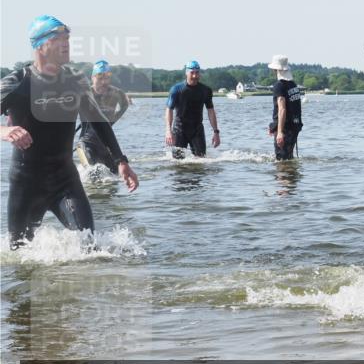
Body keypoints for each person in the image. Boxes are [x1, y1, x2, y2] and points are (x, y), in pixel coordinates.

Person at [1, 16, 139, 248]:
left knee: (89, 247)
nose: (66, 43)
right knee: (18, 255)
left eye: (67, 38)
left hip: (64, 180)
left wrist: (121, 161)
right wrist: (4, 130)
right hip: (26, 183)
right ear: (39, 45)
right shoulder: (18, 82)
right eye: (58, 38)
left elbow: (99, 122)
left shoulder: (75, 80)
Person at [77, 59, 131, 171]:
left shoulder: (116, 93)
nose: (103, 82)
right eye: (100, 78)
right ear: (92, 78)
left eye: (106, 78)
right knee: (92, 173)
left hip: (105, 144)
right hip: (86, 143)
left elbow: (125, 105)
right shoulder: (83, 94)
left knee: (114, 176)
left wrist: (111, 122)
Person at [165, 60, 220, 158]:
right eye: (192, 73)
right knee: (178, 163)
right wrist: (168, 131)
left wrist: (216, 132)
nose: (195, 76)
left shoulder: (206, 90)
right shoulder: (176, 90)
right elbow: (169, 110)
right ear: (186, 73)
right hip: (179, 130)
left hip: (197, 130)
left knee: (201, 161)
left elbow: (211, 111)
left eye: (197, 72)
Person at [266, 55, 304, 160]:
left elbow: (282, 109)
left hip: (285, 128)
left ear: (275, 69)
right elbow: (295, 107)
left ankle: (284, 176)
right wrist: (274, 126)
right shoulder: (293, 85)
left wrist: (279, 132)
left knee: (281, 161)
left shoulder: (279, 85)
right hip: (295, 126)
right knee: (289, 158)